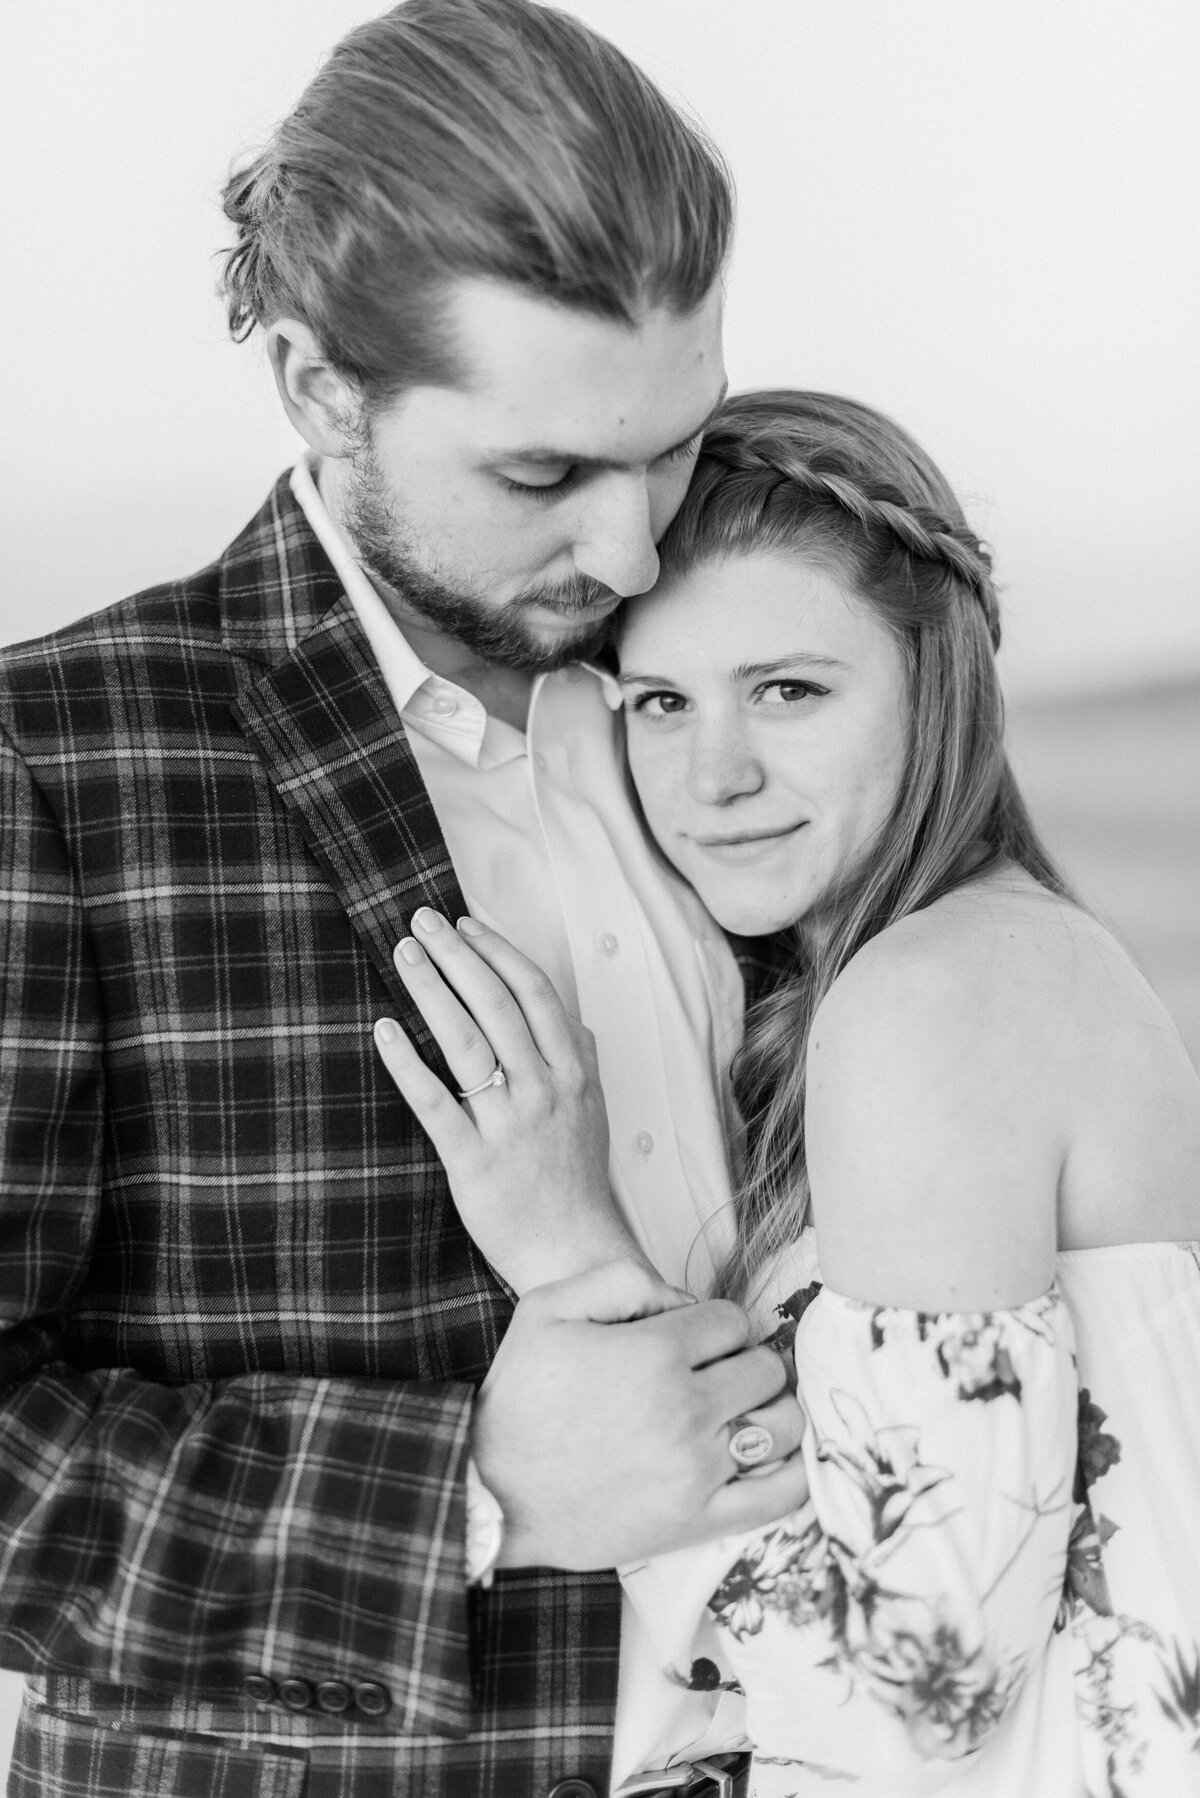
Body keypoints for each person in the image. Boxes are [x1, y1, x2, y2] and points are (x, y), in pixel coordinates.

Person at [0, 8, 812, 1796]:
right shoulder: (49, 760)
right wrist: (478, 1491)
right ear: (315, 386)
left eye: (678, 445)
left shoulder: (777, 702)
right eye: (542, 476)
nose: (634, 551)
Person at [375, 391, 1200, 1795]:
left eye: (790, 690)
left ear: (936, 680)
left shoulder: (932, 999)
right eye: (660, 703)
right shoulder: (972, 962)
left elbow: (933, 1695)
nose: (716, 775)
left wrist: (572, 1254)